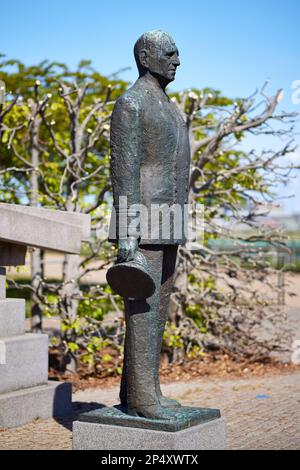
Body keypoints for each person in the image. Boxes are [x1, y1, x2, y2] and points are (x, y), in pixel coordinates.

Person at [109, 30, 190, 420]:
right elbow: (123, 172)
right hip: (143, 221)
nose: (178, 60)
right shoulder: (131, 104)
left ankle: (140, 390)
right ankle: (142, 400)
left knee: (157, 312)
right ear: (145, 56)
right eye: (170, 54)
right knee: (144, 309)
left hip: (169, 218)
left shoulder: (168, 106)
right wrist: (128, 237)